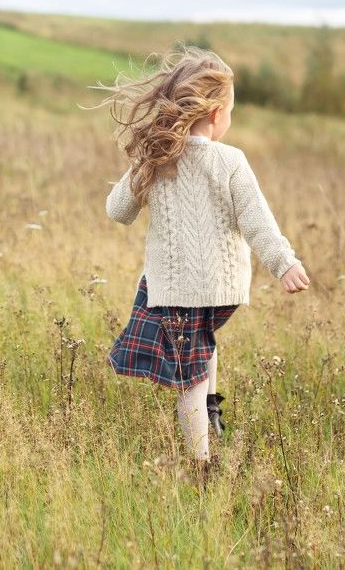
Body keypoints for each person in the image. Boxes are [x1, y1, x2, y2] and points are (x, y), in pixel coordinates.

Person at [90, 45, 310, 481]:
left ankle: (201, 464)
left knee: (188, 375)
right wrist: (284, 263)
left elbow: (117, 211)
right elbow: (258, 222)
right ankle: (209, 422)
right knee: (203, 345)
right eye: (231, 110)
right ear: (214, 115)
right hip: (223, 291)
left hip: (175, 291)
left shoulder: (156, 158)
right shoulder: (232, 160)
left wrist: (141, 162)